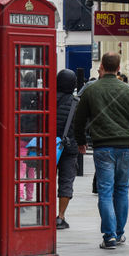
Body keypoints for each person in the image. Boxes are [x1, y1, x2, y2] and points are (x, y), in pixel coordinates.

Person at [72, 52, 129, 249]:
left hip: (102, 146)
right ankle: (120, 233)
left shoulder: (91, 90)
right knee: (122, 190)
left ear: (102, 67)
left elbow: (79, 120)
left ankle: (109, 236)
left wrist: (81, 141)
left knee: (105, 191)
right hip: (125, 147)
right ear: (118, 68)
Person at [56, 68, 79, 229]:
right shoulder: (76, 103)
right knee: (66, 181)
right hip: (69, 148)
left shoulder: (46, 99)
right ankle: (61, 216)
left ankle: (43, 214)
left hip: (47, 146)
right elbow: (81, 126)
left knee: (46, 180)